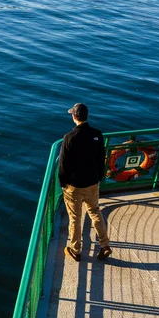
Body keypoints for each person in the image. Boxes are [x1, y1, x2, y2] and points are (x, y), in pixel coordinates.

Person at [59, 103, 112, 262]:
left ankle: (75, 250)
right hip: (92, 183)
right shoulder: (97, 134)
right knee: (95, 211)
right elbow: (102, 159)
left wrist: (63, 183)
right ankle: (104, 245)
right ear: (86, 116)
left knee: (75, 218)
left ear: (74, 117)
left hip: (74, 186)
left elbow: (63, 165)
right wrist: (98, 177)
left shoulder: (69, 138)